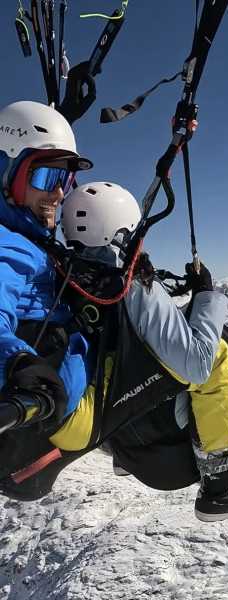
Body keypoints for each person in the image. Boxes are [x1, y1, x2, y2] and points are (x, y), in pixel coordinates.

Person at [59, 181, 228, 521]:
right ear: (122, 230)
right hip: (172, 446)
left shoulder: (72, 283)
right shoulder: (133, 287)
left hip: (131, 445)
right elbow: (196, 364)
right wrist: (206, 296)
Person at [0, 100, 92, 435]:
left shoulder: (31, 237)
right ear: (5, 174)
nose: (57, 192)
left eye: (65, 179)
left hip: (59, 393)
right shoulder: (8, 244)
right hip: (51, 408)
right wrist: (17, 363)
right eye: (46, 175)